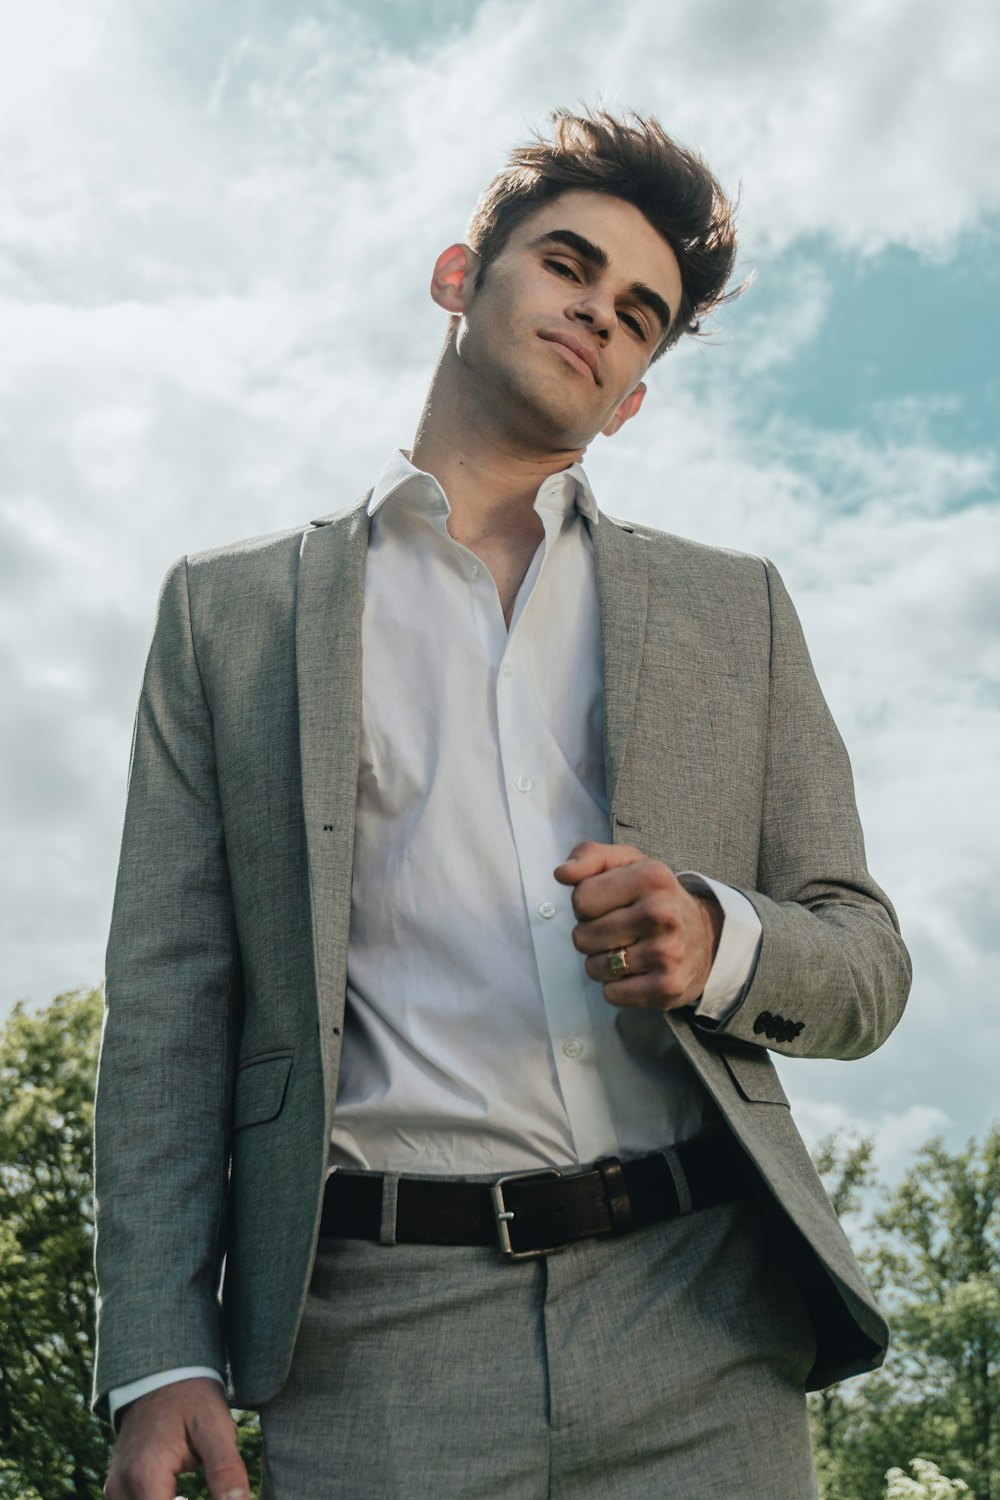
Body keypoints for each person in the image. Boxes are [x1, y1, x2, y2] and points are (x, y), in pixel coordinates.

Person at [94, 109, 911, 1499]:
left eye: (639, 315)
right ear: (460, 275)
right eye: (569, 265)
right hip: (375, 1341)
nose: (599, 312)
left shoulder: (738, 611)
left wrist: (722, 942)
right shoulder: (225, 616)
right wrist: (159, 1350)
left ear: (634, 395)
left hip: (701, 1316)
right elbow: (172, 1005)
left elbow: (866, 961)